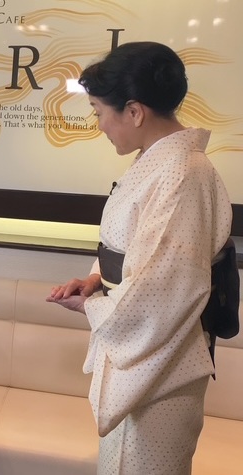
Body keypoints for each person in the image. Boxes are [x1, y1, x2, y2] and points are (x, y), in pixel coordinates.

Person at [46, 42, 232, 475]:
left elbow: (165, 288)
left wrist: (91, 306)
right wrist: (96, 280)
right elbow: (135, 249)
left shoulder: (183, 172)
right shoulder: (159, 162)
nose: (98, 125)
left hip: (162, 369)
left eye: (98, 112)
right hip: (147, 358)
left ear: (133, 111)